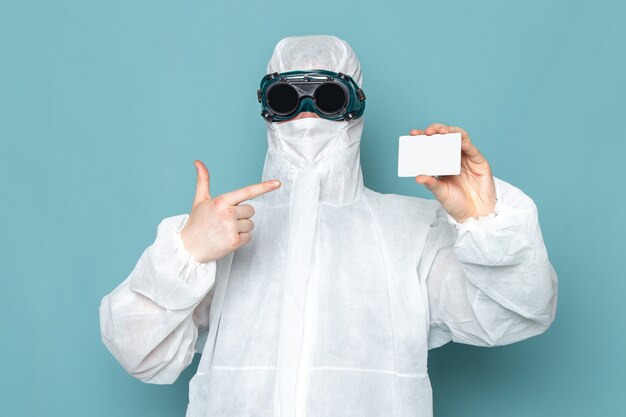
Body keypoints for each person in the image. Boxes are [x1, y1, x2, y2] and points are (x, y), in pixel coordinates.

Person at [99, 35, 558, 417]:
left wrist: (486, 221)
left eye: (328, 97)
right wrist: (186, 254)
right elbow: (138, 352)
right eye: (284, 97)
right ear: (266, 110)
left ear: (355, 108)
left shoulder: (411, 233)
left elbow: (518, 314)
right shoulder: (223, 228)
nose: (305, 114)